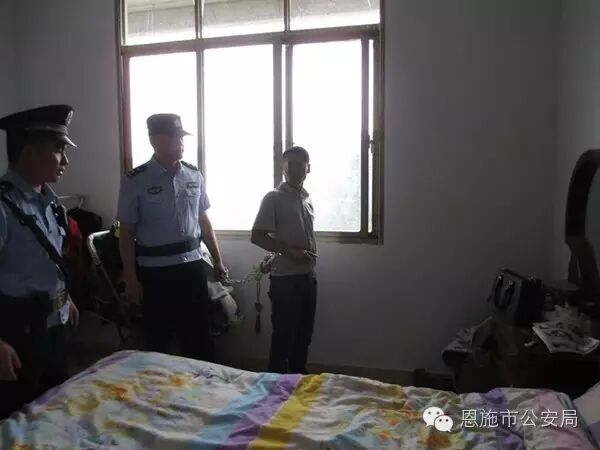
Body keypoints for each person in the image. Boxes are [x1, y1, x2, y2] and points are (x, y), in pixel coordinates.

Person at [117, 113, 225, 362]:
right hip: (155, 274)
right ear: (156, 140)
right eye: (175, 137)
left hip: (192, 268)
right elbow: (126, 233)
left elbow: (204, 221)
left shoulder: (193, 175)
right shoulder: (135, 180)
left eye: (182, 137)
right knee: (158, 342)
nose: (181, 143)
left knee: (199, 338)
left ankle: (202, 384)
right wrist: (131, 278)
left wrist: (218, 260)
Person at [0, 105, 80, 419]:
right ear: (29, 154)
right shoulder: (4, 206)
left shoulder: (50, 201)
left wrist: (64, 297)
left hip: (54, 327)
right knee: (18, 423)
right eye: (59, 151)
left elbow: (46, 261)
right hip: (18, 336)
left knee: (55, 413)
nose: (66, 161)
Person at [251, 145, 317, 374]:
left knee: (304, 335)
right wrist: (289, 252)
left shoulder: (306, 198)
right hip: (286, 281)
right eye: (291, 164)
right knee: (283, 339)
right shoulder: (273, 198)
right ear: (283, 168)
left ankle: (298, 382)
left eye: (301, 164)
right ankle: (275, 386)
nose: (296, 169)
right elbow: (257, 236)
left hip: (308, 278)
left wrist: (285, 252)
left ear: (309, 168)